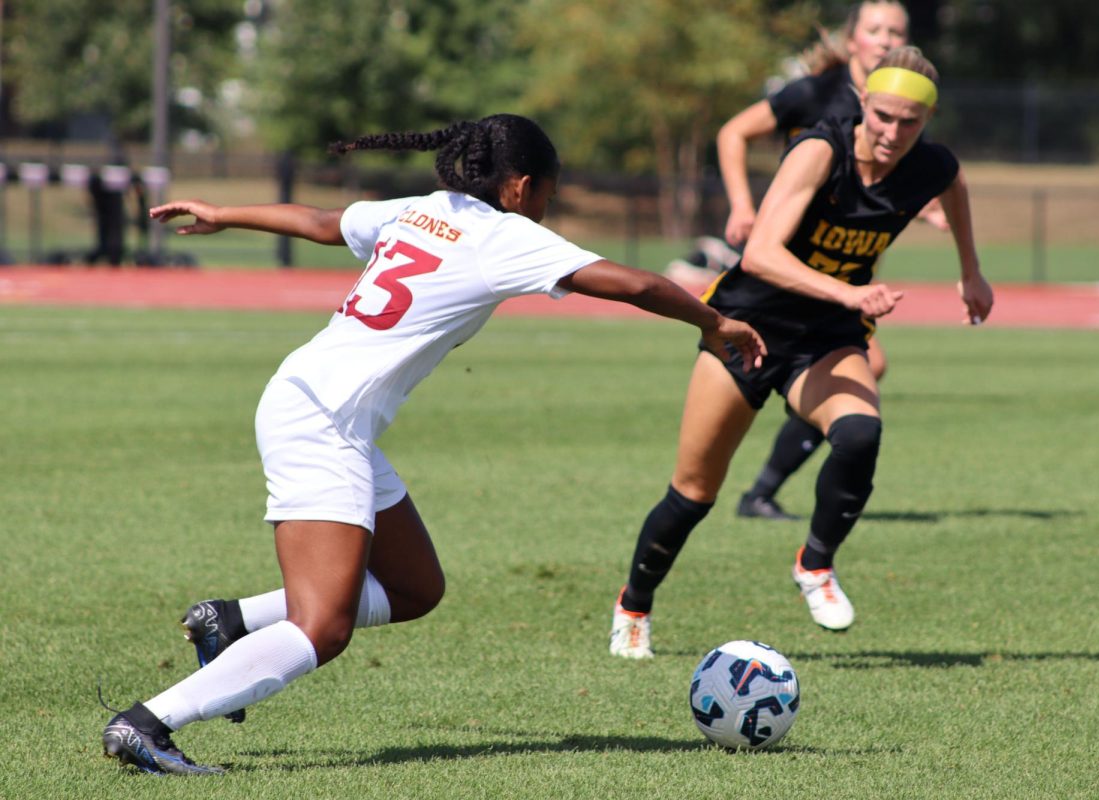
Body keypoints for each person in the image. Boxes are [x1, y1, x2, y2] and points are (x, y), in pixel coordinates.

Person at [99, 113, 765, 775]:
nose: (545, 210)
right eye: (547, 196)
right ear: (518, 187)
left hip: (323, 408)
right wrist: (712, 320)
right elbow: (632, 282)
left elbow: (322, 223)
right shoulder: (502, 236)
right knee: (321, 627)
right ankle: (147, 723)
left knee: (415, 586)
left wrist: (226, 213)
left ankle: (230, 620)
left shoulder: (423, 210)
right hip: (323, 419)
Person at [609, 47, 993, 659]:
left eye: (910, 122)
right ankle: (634, 604)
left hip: (825, 337)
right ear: (863, 100)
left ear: (928, 120)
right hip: (745, 328)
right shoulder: (821, 149)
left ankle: (815, 564)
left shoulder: (929, 165)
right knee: (693, 494)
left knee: (861, 434)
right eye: (885, 116)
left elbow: (955, 183)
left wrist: (972, 272)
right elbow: (760, 252)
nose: (894, 133)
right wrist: (851, 291)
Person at [716, 0, 942, 521]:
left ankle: (761, 492)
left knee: (862, 370)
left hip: (847, 272)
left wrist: (924, 206)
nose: (886, 39)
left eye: (897, 31)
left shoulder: (902, 103)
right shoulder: (818, 91)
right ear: (853, 36)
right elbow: (733, 132)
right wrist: (742, 204)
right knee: (854, 365)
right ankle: (756, 489)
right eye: (875, 29)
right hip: (784, 265)